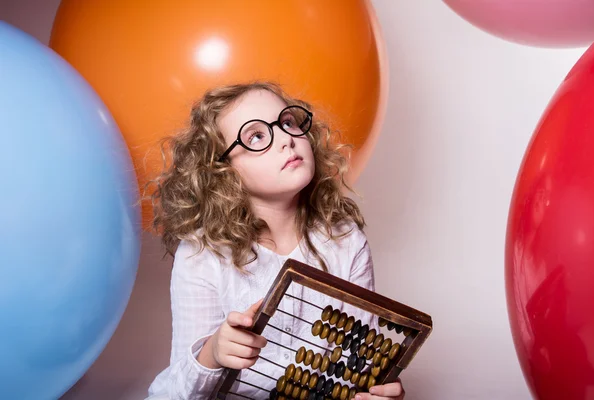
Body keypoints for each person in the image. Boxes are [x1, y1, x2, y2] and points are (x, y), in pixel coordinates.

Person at [146, 81, 405, 400]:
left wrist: (374, 391)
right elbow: (172, 395)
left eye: (287, 123)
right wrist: (212, 353)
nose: (286, 139)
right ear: (224, 170)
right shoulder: (202, 255)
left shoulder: (345, 240)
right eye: (256, 136)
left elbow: (359, 364)